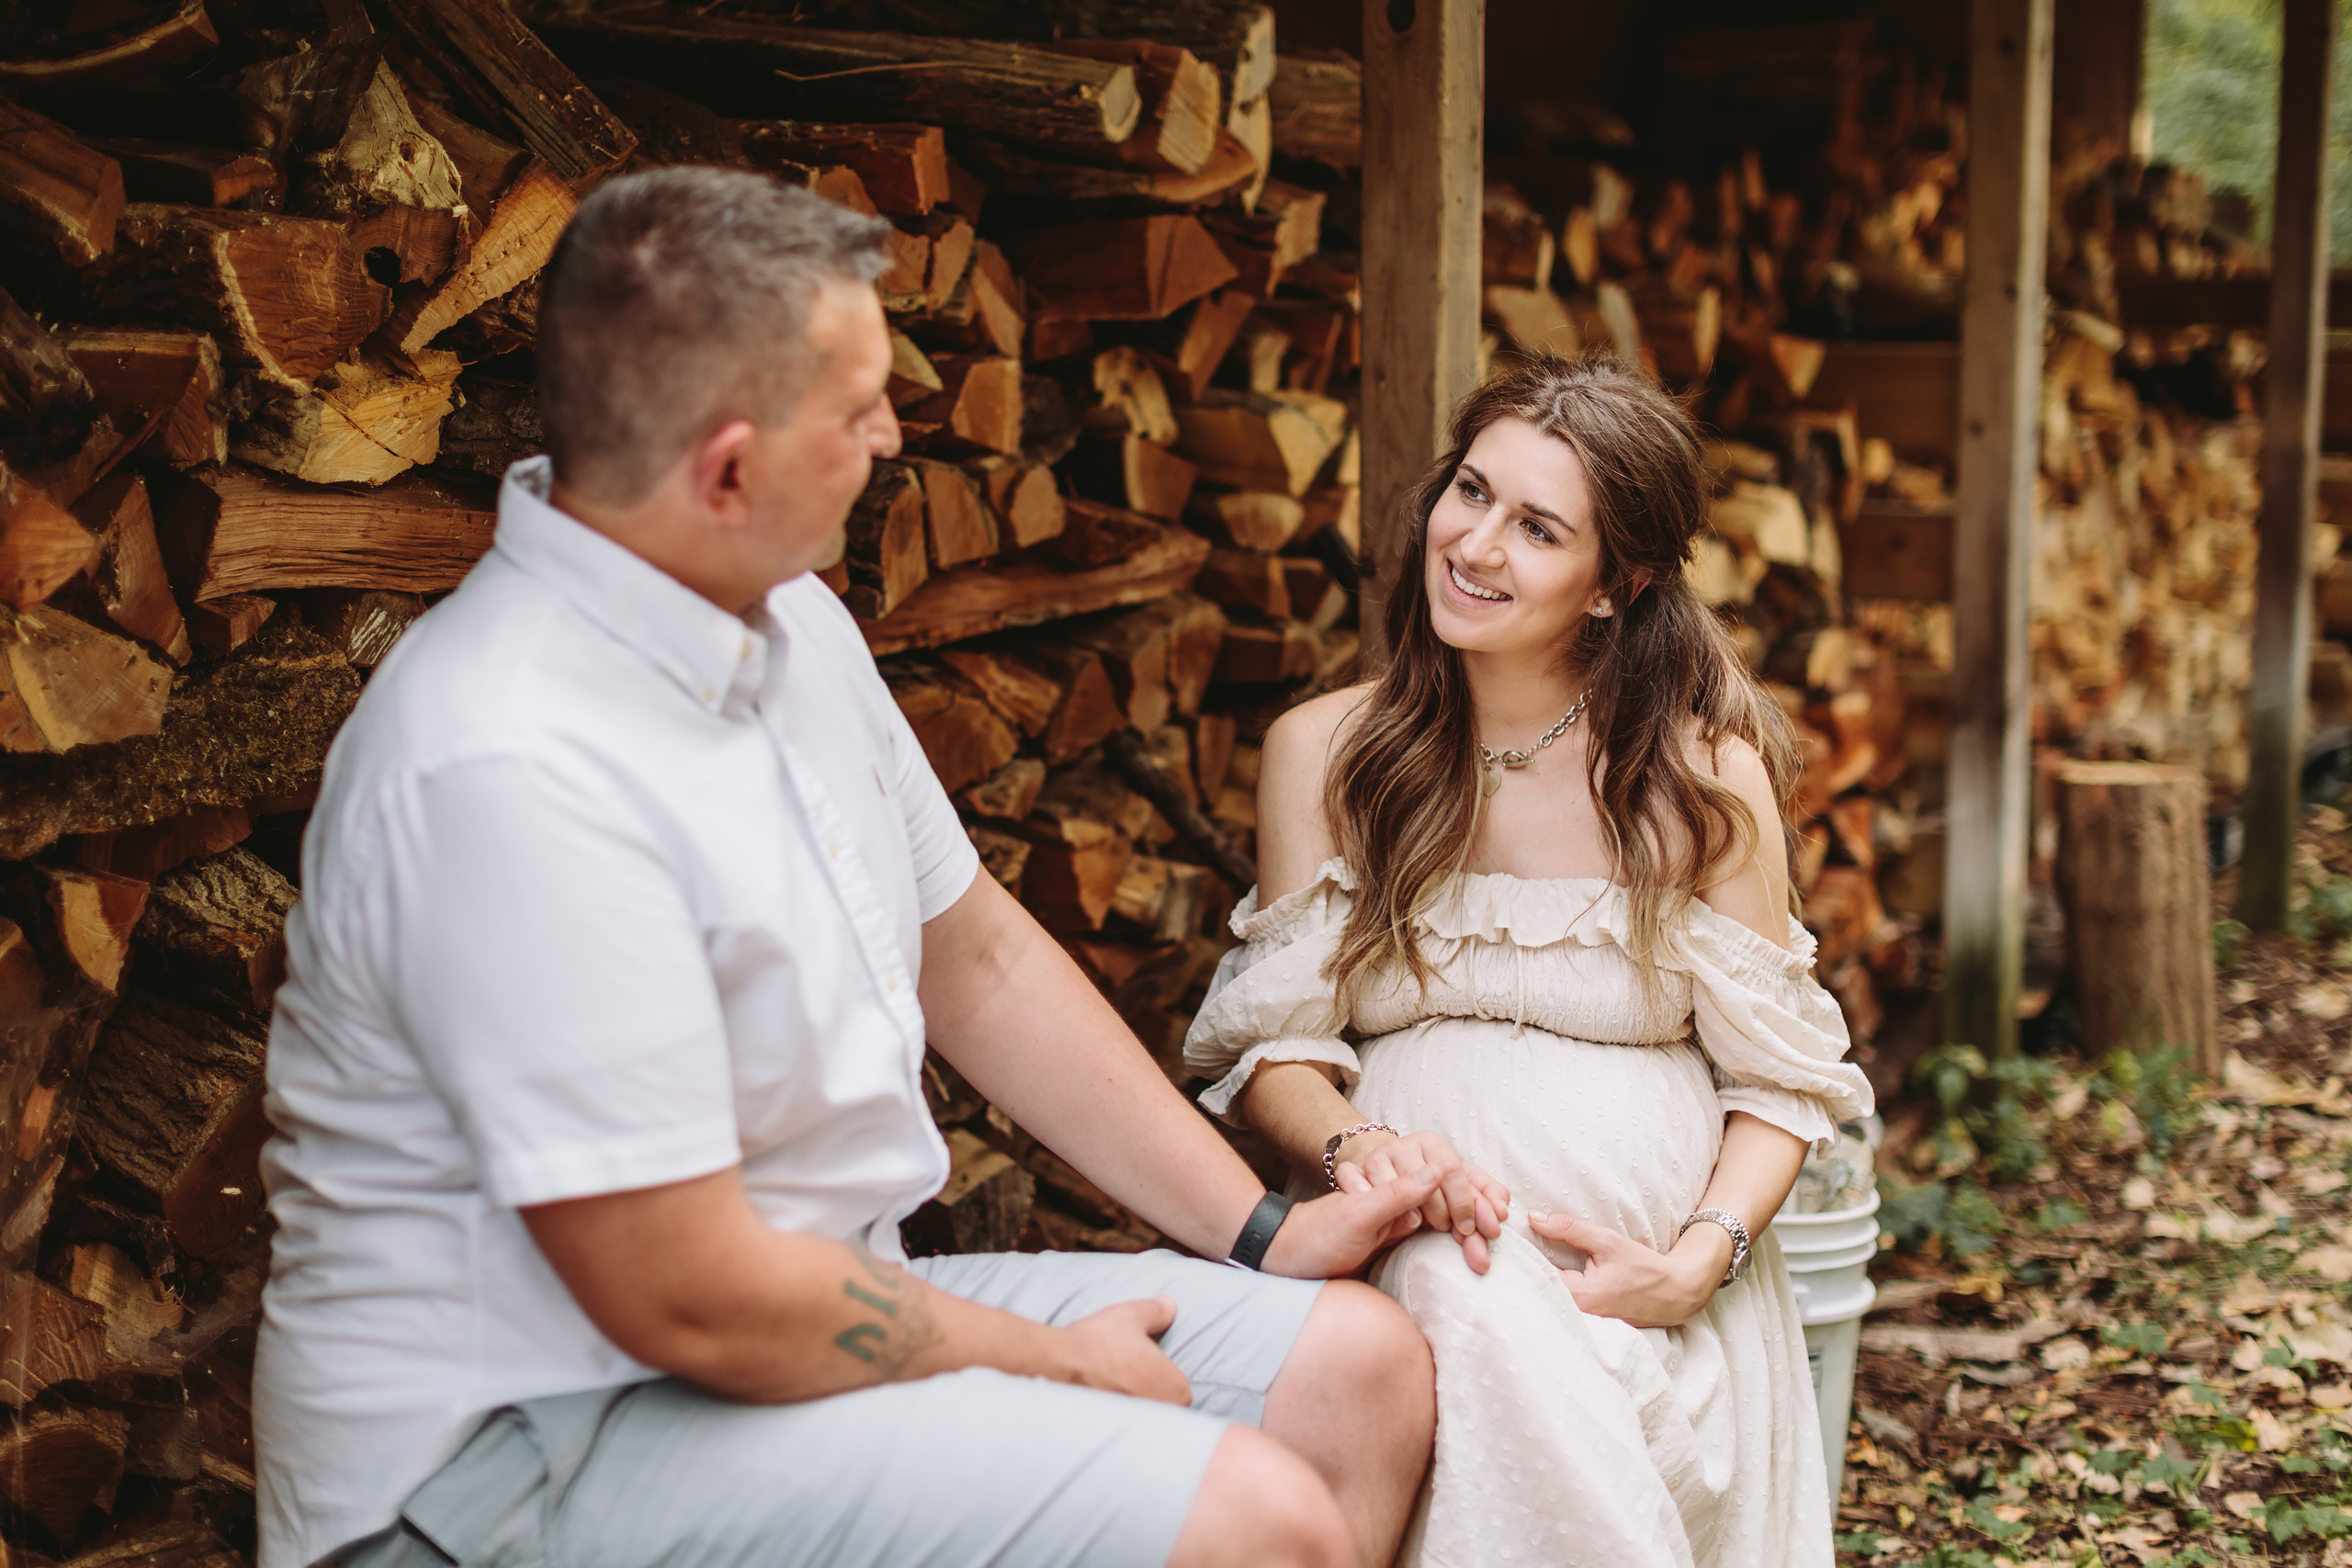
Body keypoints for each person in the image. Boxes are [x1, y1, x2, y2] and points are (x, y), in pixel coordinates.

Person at [254, 167, 1447, 1568]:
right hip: (515, 1448)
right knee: (1244, 1519)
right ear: (731, 467)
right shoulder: (509, 759)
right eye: (858, 406)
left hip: (808, 1317)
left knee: (1355, 1373)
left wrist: (1258, 1231)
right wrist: (1050, 1368)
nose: (894, 432)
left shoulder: (790, 619)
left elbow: (978, 959)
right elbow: (688, 1298)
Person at [1184, 353, 1877, 1567]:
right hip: (1395, 1262)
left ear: (1617, 583)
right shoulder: (1325, 756)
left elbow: (1781, 1086)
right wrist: (1361, 1150)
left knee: (1488, 1304)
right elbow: (1274, 1048)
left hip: (1648, 1302)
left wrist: (1689, 1264)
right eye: (1471, 491)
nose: (1476, 544)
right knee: (1459, 1281)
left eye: (1538, 528)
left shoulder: (1699, 783)